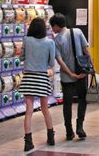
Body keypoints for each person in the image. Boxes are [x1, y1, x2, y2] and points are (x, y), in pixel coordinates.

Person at [50, 13, 92, 141]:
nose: (52, 29)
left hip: (67, 77)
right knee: (82, 99)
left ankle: (69, 131)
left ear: (57, 26)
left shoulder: (56, 41)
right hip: (82, 72)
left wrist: (70, 74)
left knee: (67, 104)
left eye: (52, 26)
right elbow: (86, 50)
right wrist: (91, 65)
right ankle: (80, 127)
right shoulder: (77, 31)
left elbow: (60, 62)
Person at [19, 18, 56, 152]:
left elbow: (21, 57)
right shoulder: (50, 42)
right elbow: (51, 63)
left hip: (29, 78)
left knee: (28, 111)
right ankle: (51, 137)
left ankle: (28, 142)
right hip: (42, 77)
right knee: (45, 109)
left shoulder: (26, 40)